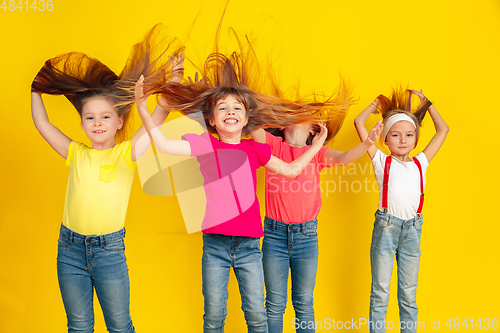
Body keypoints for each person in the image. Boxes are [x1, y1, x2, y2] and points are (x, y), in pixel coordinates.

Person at [134, 40, 340, 331]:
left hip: (249, 247)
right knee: (214, 316)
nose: (230, 111)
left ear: (245, 119)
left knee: (256, 315)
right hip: (214, 245)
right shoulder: (204, 144)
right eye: (223, 108)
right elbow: (162, 143)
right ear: (212, 119)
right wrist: (143, 108)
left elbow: (292, 170)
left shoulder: (254, 150)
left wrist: (316, 145)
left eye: (237, 108)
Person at [31, 25, 183, 332]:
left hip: (109, 253)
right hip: (69, 249)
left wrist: (174, 82)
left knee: (119, 326)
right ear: (83, 124)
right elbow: (42, 123)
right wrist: (36, 89)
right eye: (90, 117)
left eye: (105, 117)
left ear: (119, 121)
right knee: (79, 326)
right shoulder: (75, 153)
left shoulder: (127, 154)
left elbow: (157, 117)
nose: (97, 123)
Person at [248, 91, 382, 332]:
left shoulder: (318, 154)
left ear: (314, 129)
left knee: (304, 303)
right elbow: (251, 125)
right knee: (275, 304)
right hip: (274, 235)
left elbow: (344, 157)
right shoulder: (272, 145)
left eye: (303, 113)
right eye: (291, 112)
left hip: (306, 237)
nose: (296, 115)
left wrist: (367, 142)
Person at [354, 88, 449, 333]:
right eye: (395, 135)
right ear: (385, 139)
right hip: (386, 228)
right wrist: (374, 105)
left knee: (408, 294)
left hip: (412, 231)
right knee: (380, 292)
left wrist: (427, 104)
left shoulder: (422, 162)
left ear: (416, 139)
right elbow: (358, 122)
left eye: (409, 134)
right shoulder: (380, 160)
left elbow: (443, 130)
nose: (403, 140)